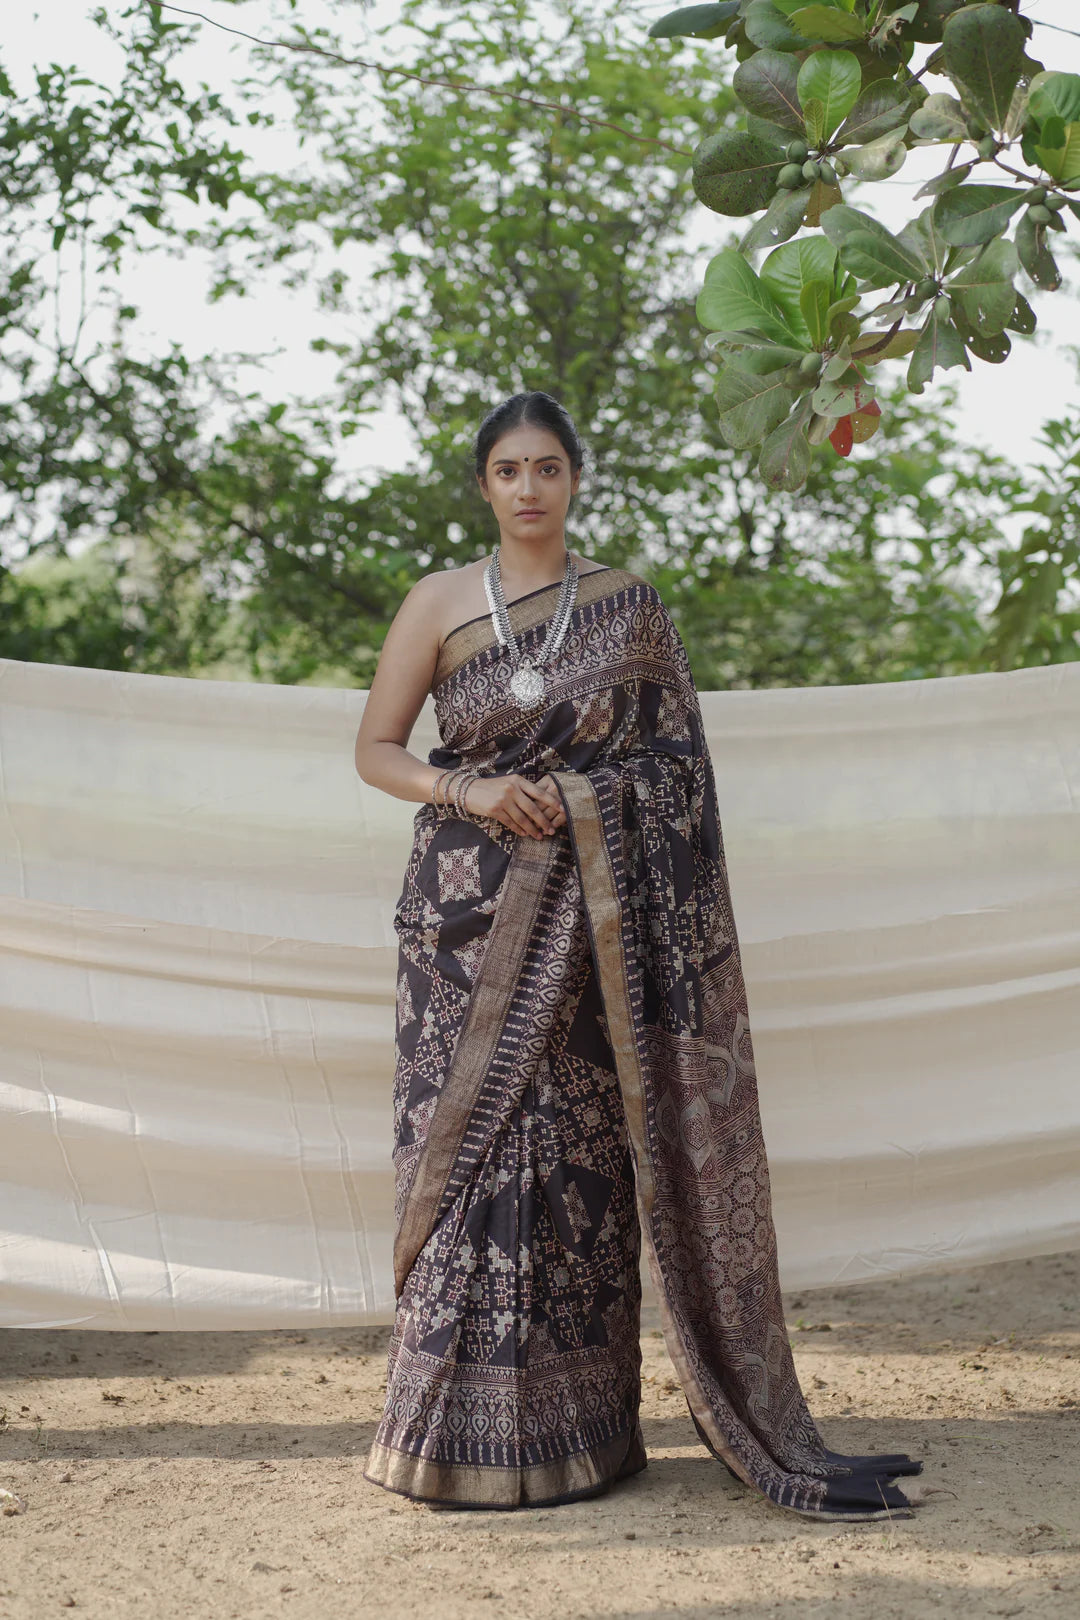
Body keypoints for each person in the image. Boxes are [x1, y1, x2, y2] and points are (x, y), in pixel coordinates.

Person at [353, 390, 924, 1520]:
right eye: (509, 470)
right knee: (469, 1160)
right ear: (484, 486)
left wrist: (574, 800)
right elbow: (375, 751)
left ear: (575, 480)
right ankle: (441, 1440)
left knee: (574, 1165)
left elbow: (678, 776)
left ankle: (582, 1436)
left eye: (548, 468)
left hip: (597, 931)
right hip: (463, 924)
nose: (529, 488)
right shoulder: (437, 603)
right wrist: (466, 784)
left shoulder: (629, 609)